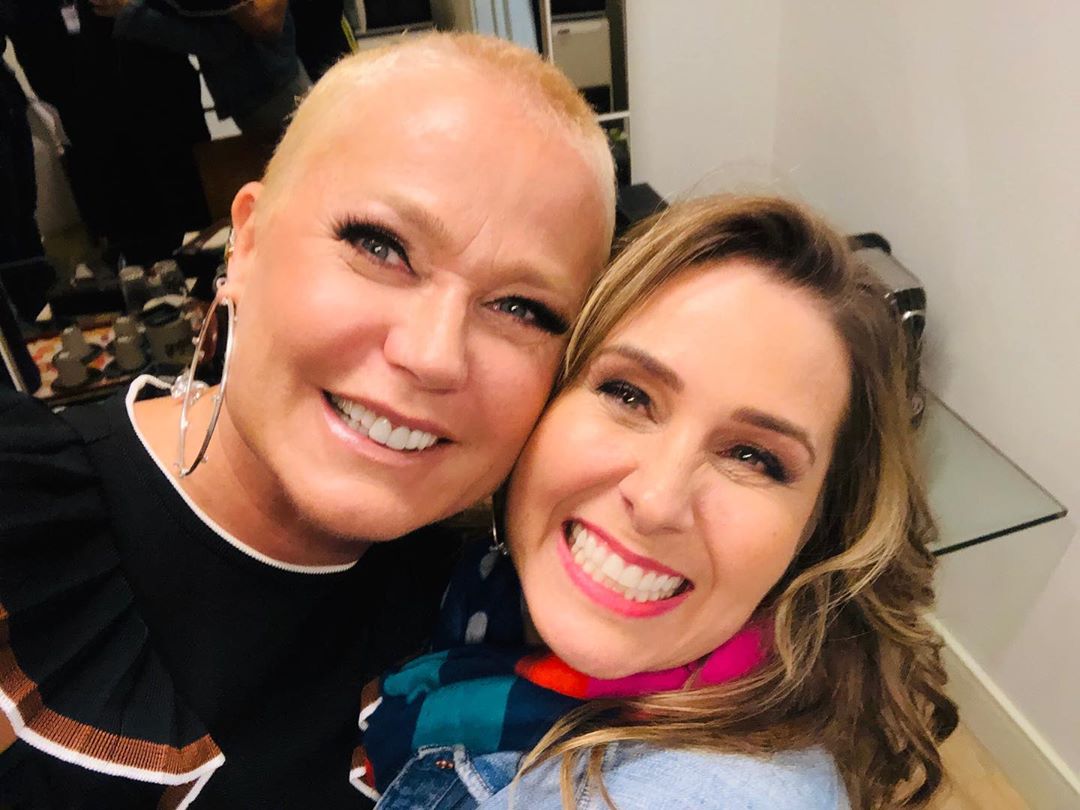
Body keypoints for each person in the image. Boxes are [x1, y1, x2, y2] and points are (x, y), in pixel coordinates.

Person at [0, 33, 614, 808]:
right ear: (248, 242)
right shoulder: (21, 516)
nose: (432, 355)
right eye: (380, 247)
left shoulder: (495, 622)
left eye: (522, 308)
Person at [354, 195, 958, 809]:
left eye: (752, 457)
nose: (656, 501)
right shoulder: (468, 580)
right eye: (629, 395)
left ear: (819, 530)